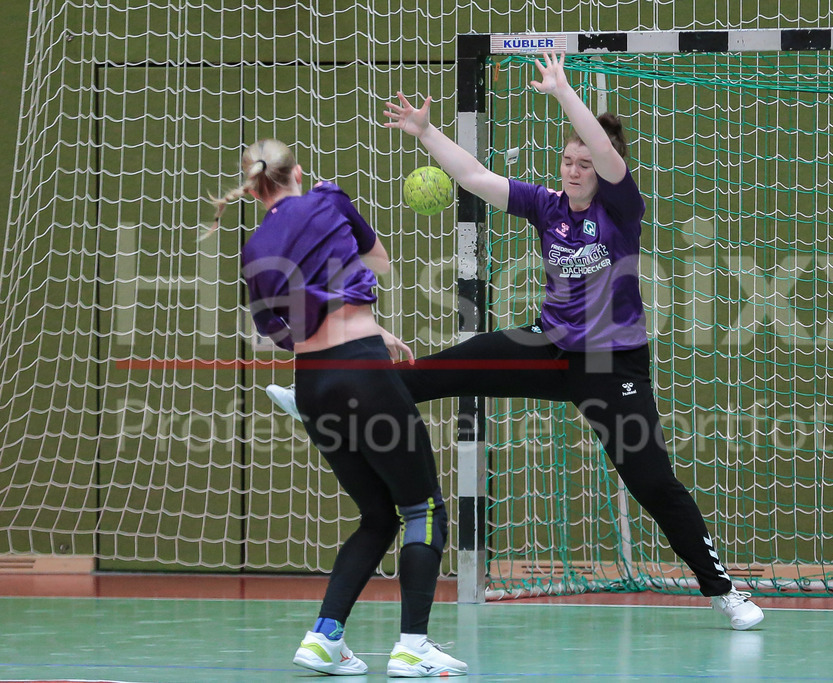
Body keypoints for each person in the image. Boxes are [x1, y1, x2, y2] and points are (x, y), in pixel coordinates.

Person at [270, 52, 764, 630]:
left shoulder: (621, 209)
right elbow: (475, 177)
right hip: (548, 347)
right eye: (568, 160)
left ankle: (725, 592)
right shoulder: (546, 205)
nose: (574, 170)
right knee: (439, 370)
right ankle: (320, 400)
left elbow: (605, 154)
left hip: (611, 366)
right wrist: (426, 132)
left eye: (585, 163)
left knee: (653, 483)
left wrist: (562, 92)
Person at [211, 139, 467, 677]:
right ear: (297, 172)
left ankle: (324, 636)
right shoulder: (327, 198)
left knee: (377, 516)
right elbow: (380, 262)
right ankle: (413, 647)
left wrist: (352, 336)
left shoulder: (254, 248)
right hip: (363, 375)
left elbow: (275, 329)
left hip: (313, 384)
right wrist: (361, 335)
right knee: (423, 510)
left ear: (254, 189)